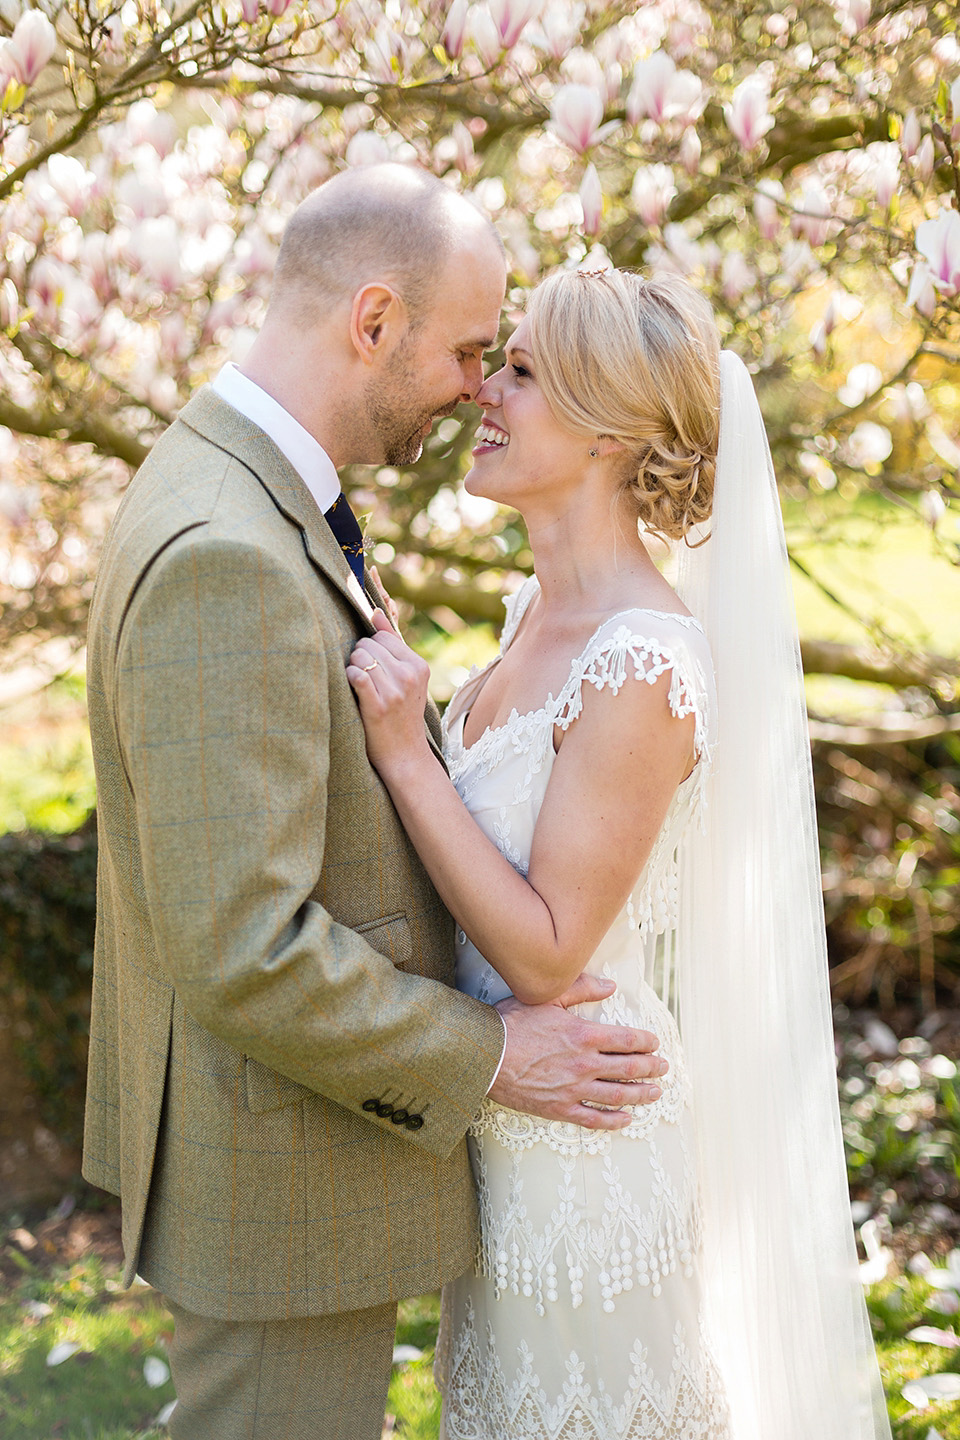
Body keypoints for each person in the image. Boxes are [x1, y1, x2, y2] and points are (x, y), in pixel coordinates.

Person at [81, 166, 670, 1440]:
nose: (479, 389)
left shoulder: (243, 486)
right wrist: (494, 1054)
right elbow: (246, 946)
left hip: (302, 1150)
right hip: (274, 1169)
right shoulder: (229, 553)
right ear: (371, 322)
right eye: (471, 352)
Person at [348, 267, 893, 1440]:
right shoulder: (530, 618)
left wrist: (405, 754)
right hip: (505, 1127)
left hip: (586, 1154)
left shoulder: (645, 660)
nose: (483, 391)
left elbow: (548, 953)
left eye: (525, 372)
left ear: (606, 433)